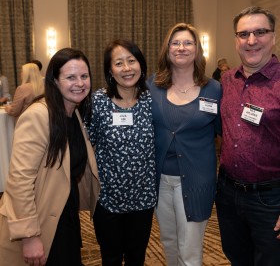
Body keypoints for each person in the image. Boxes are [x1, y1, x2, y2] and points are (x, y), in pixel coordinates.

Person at [0, 47, 100, 266]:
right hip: (42, 217)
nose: (80, 83)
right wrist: (30, 236)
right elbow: (19, 180)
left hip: (65, 213)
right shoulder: (38, 115)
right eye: (70, 77)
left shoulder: (72, 112)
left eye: (84, 76)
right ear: (54, 81)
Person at [147, 23, 222, 266]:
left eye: (188, 42)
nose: (181, 47)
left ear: (197, 49)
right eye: (175, 43)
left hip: (197, 180)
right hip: (160, 181)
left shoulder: (214, 89)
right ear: (167, 49)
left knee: (189, 249)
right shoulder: (152, 86)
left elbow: (226, 133)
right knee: (168, 242)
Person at [215, 6, 280, 266]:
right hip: (228, 195)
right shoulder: (227, 80)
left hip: (271, 199)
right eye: (244, 34)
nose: (251, 41)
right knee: (237, 258)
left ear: (273, 37)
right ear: (236, 40)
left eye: (260, 32)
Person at [87, 39, 157, 266]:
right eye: (119, 63)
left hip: (143, 199)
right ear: (110, 70)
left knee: (137, 258)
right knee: (111, 257)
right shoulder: (97, 101)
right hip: (107, 199)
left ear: (141, 64)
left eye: (131, 61)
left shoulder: (152, 100)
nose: (126, 68)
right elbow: (87, 143)